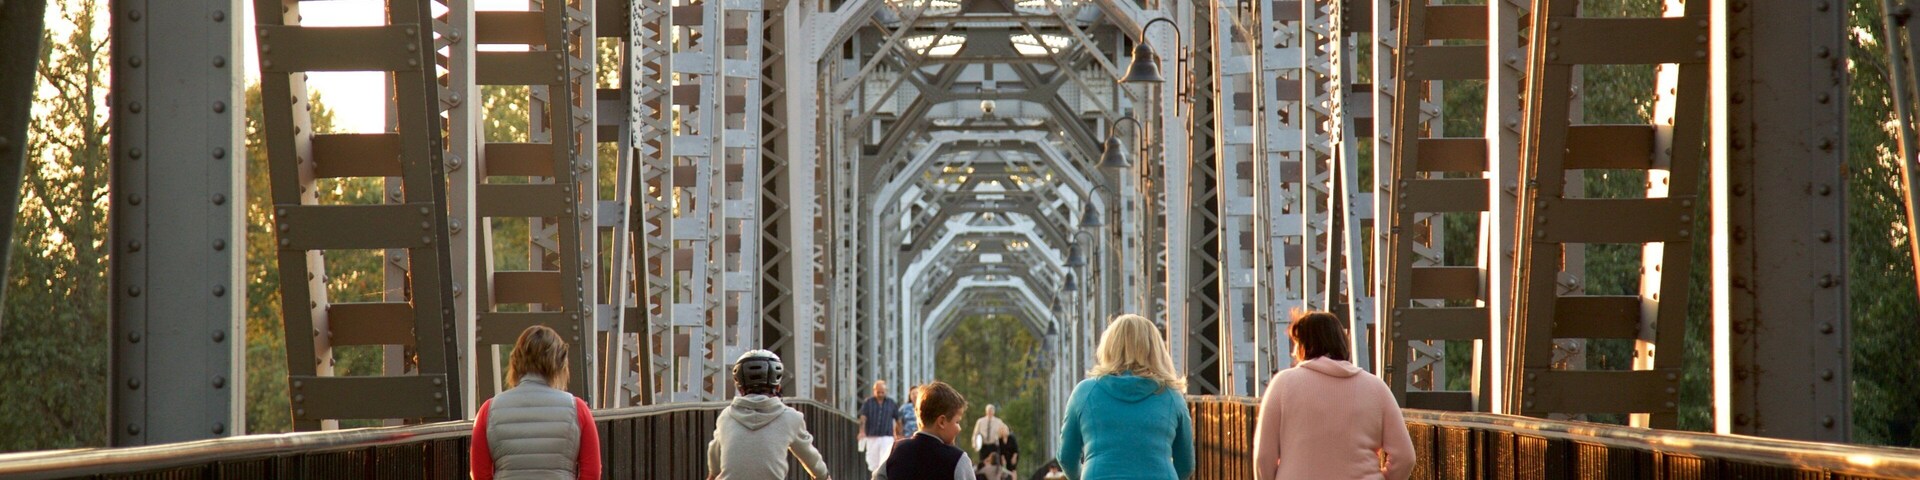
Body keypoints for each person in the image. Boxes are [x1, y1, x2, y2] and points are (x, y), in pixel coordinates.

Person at [1252, 310, 1415, 480]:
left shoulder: (1283, 384)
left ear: (1303, 346)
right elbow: (1405, 457)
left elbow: (1263, 457)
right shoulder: (1376, 387)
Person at [1056, 314, 1194, 480]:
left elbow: (1066, 457)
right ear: (1155, 350)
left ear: (1108, 347)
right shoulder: (1172, 396)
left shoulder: (1085, 393)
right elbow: (1186, 465)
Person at [470, 325, 602, 480]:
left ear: (515, 361)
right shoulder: (576, 409)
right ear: (560, 362)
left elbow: (479, 474)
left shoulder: (489, 410)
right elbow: (591, 472)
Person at [707, 349, 832, 480]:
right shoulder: (791, 418)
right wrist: (823, 476)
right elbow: (812, 460)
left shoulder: (726, 417)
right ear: (777, 386)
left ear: (740, 387)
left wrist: (712, 475)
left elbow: (714, 458)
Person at [873, 381, 975, 480]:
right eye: (957, 422)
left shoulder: (895, 450)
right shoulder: (958, 460)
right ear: (942, 422)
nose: (959, 429)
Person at [858, 380, 903, 474]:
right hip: (872, 436)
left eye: (882, 392)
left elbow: (898, 420)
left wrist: (899, 435)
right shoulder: (868, 402)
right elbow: (863, 417)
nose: (880, 394)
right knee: (872, 462)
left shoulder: (891, 403)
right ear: (874, 390)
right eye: (878, 392)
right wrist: (862, 432)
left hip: (886, 437)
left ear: (886, 391)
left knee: (885, 461)